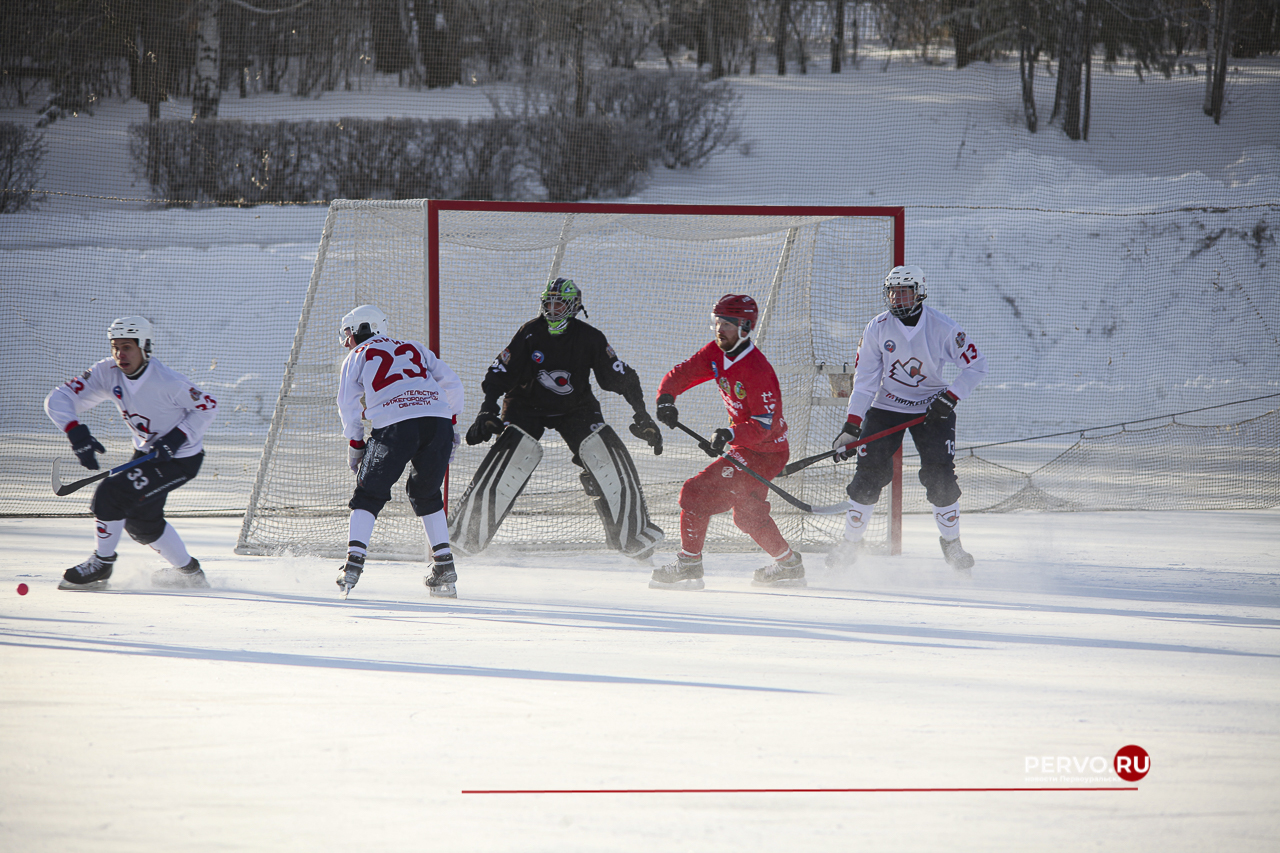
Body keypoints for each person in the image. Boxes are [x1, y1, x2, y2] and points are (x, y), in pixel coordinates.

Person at [459, 277, 664, 558]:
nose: (553, 309)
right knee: (510, 454)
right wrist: (487, 409)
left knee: (605, 453)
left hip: (575, 407)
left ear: (575, 306)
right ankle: (464, 535)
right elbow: (499, 372)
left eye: (560, 303)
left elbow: (622, 378)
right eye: (549, 303)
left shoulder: (590, 337)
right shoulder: (529, 333)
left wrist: (642, 416)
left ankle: (632, 536)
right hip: (526, 404)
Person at [828, 265, 988, 572]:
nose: (898, 298)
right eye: (892, 291)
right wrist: (851, 427)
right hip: (886, 407)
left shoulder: (943, 327)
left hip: (933, 408)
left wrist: (950, 398)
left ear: (919, 292)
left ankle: (952, 545)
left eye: (905, 291)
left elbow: (977, 366)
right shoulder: (877, 328)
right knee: (868, 476)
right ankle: (849, 544)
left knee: (940, 476)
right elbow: (864, 381)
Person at [45, 316, 218, 590]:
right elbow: (58, 398)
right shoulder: (107, 371)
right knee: (141, 522)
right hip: (146, 454)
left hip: (179, 459)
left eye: (127, 347)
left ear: (145, 347)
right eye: (115, 347)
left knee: (111, 494)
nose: (119, 354)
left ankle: (102, 564)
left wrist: (176, 437)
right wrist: (75, 431)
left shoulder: (167, 382)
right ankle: (191, 574)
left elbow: (208, 405)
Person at [649, 293, 804, 590]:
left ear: (745, 328)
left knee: (695, 492)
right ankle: (788, 564)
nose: (720, 329)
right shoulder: (717, 352)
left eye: (728, 324)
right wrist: (666, 398)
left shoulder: (757, 370)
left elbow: (762, 426)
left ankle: (689, 563)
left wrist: (729, 435)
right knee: (748, 515)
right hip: (748, 447)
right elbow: (683, 373)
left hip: (765, 451)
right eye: (717, 322)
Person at [336, 305, 465, 598]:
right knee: (426, 493)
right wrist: (451, 422)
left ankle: (353, 564)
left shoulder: (356, 355)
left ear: (363, 328)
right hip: (438, 423)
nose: (346, 341)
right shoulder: (413, 346)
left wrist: (356, 442)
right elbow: (453, 384)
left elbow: (348, 404)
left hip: (396, 426)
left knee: (368, 494)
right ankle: (444, 566)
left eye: (348, 333)